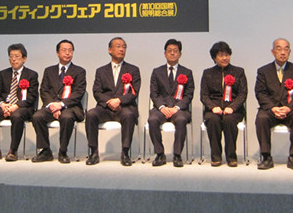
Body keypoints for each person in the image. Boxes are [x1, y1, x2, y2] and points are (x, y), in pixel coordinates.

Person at [85, 37, 141, 166]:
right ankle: (94, 152)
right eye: (118, 46)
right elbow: (97, 91)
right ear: (110, 50)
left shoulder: (133, 70)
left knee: (129, 115)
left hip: (124, 107)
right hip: (105, 108)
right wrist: (110, 102)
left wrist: (119, 100)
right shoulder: (101, 71)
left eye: (124, 47)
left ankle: (125, 153)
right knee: (91, 114)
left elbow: (134, 92)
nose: (122, 49)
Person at [254, 38, 293, 170]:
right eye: (279, 49)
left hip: (291, 109)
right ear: (273, 52)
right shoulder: (263, 71)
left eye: (286, 49)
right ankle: (266, 156)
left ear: (289, 52)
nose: (283, 52)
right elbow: (260, 93)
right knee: (261, 118)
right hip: (270, 110)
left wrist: (289, 108)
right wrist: (272, 108)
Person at [31, 39, 86, 164]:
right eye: (64, 50)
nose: (67, 53)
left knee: (67, 118)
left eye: (70, 50)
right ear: (57, 53)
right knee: (37, 116)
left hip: (70, 107)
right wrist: (52, 105)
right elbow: (44, 90)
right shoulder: (49, 71)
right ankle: (45, 151)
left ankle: (63, 151)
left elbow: (78, 92)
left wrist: (61, 105)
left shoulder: (79, 71)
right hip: (51, 106)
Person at [0, 43, 39, 162]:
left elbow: (32, 97)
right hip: (5, 106)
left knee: (17, 116)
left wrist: (16, 106)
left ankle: (13, 150)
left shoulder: (31, 75)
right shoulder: (3, 74)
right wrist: (2, 104)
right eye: (11, 56)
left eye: (17, 56)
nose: (14, 59)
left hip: (23, 107)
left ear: (24, 58)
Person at [148, 39, 194, 168]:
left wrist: (177, 107)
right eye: (169, 51)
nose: (172, 53)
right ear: (165, 54)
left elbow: (189, 95)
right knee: (152, 120)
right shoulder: (157, 72)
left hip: (179, 109)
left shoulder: (187, 72)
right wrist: (162, 107)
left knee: (181, 120)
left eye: (175, 51)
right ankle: (160, 154)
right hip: (161, 109)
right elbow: (154, 93)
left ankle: (177, 155)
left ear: (180, 54)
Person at [200, 41, 247, 167]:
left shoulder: (239, 72)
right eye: (221, 55)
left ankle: (231, 156)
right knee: (212, 120)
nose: (225, 58)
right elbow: (204, 95)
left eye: (227, 55)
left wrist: (232, 107)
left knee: (229, 120)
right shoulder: (207, 73)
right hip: (214, 109)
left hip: (233, 110)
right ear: (214, 57)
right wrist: (212, 107)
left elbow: (243, 93)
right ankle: (216, 156)